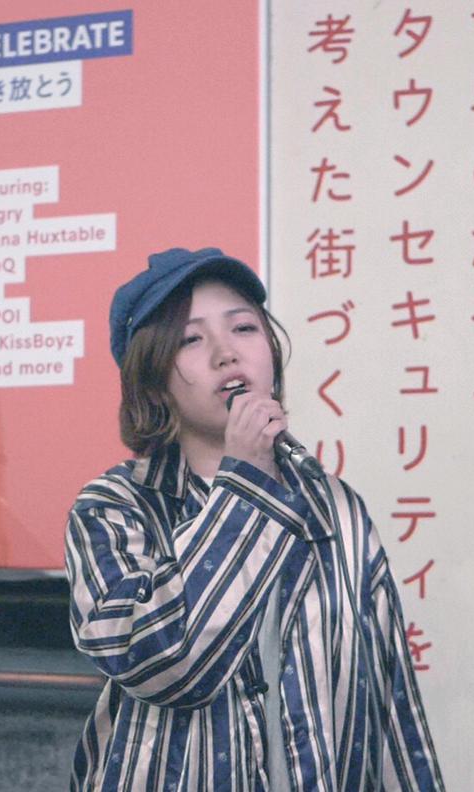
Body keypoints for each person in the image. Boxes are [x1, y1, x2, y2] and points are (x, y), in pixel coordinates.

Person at [64, 247, 445, 791]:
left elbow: (389, 704)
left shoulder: (335, 506)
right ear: (152, 382)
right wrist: (244, 484)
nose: (226, 353)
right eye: (191, 339)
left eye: (244, 327)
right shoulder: (113, 507)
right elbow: (169, 664)